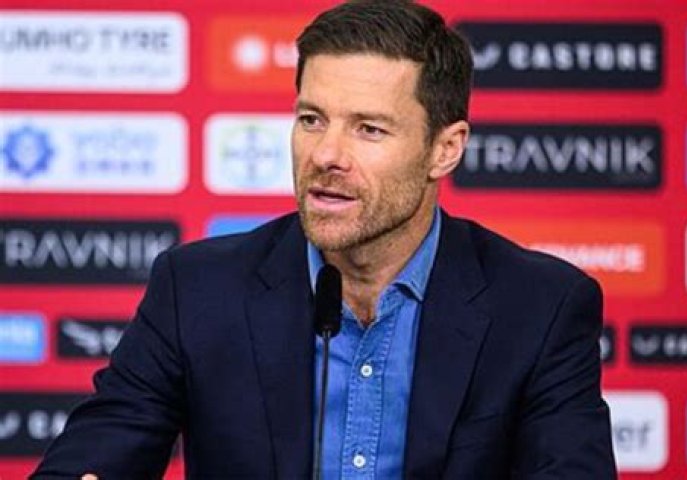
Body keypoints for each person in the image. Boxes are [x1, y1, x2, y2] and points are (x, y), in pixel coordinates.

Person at [32, 1, 616, 478]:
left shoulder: (539, 307)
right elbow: (91, 459)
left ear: (445, 149)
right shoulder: (197, 289)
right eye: (311, 119)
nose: (327, 155)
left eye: (369, 129)